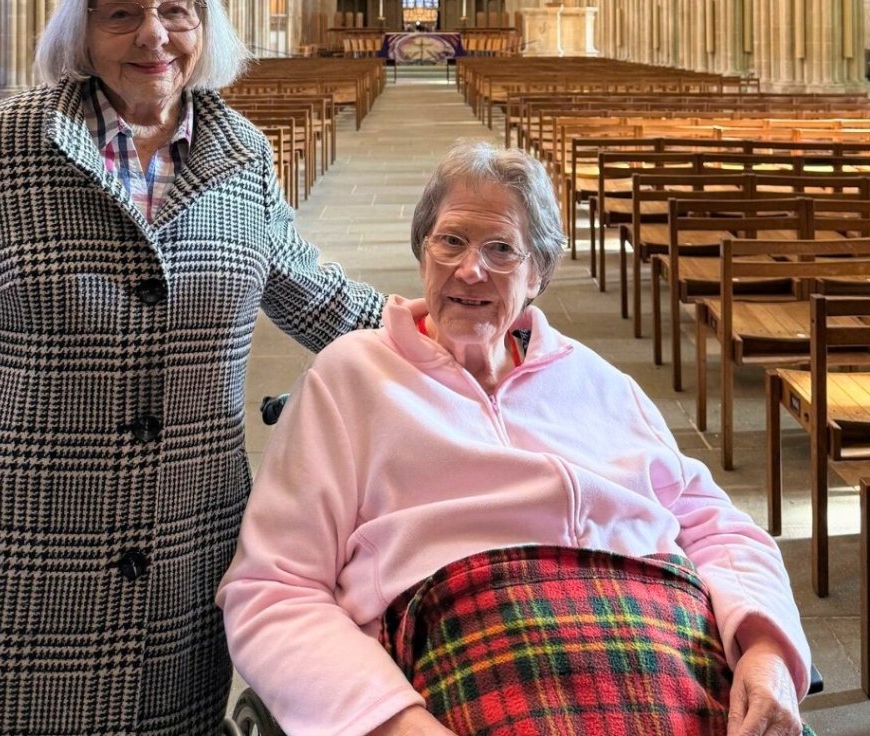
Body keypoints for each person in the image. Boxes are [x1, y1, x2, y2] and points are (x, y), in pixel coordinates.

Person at [0, 0, 384, 736]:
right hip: (12, 566)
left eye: (176, 10)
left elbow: (323, 300)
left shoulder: (239, 154)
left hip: (179, 564)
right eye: (122, 14)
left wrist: (477, 325)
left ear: (203, 24)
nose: (154, 35)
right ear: (83, 28)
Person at [218, 140, 816, 736]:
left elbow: (717, 524)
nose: (469, 269)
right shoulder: (350, 377)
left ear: (539, 274)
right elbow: (272, 588)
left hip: (670, 644)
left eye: (502, 249)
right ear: (423, 251)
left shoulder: (599, 381)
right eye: (450, 240)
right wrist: (391, 722)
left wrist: (766, 650)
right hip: (481, 640)